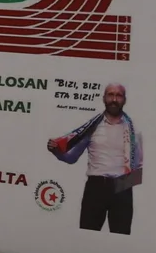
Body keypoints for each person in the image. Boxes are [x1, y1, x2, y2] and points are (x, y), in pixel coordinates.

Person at [47, 84, 143, 235]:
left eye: (118, 95)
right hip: (95, 187)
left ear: (124, 100)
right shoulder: (91, 128)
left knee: (120, 238)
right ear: (104, 98)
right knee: (87, 236)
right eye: (110, 95)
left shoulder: (134, 131)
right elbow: (72, 158)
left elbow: (138, 166)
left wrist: (121, 187)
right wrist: (56, 151)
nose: (114, 99)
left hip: (122, 189)